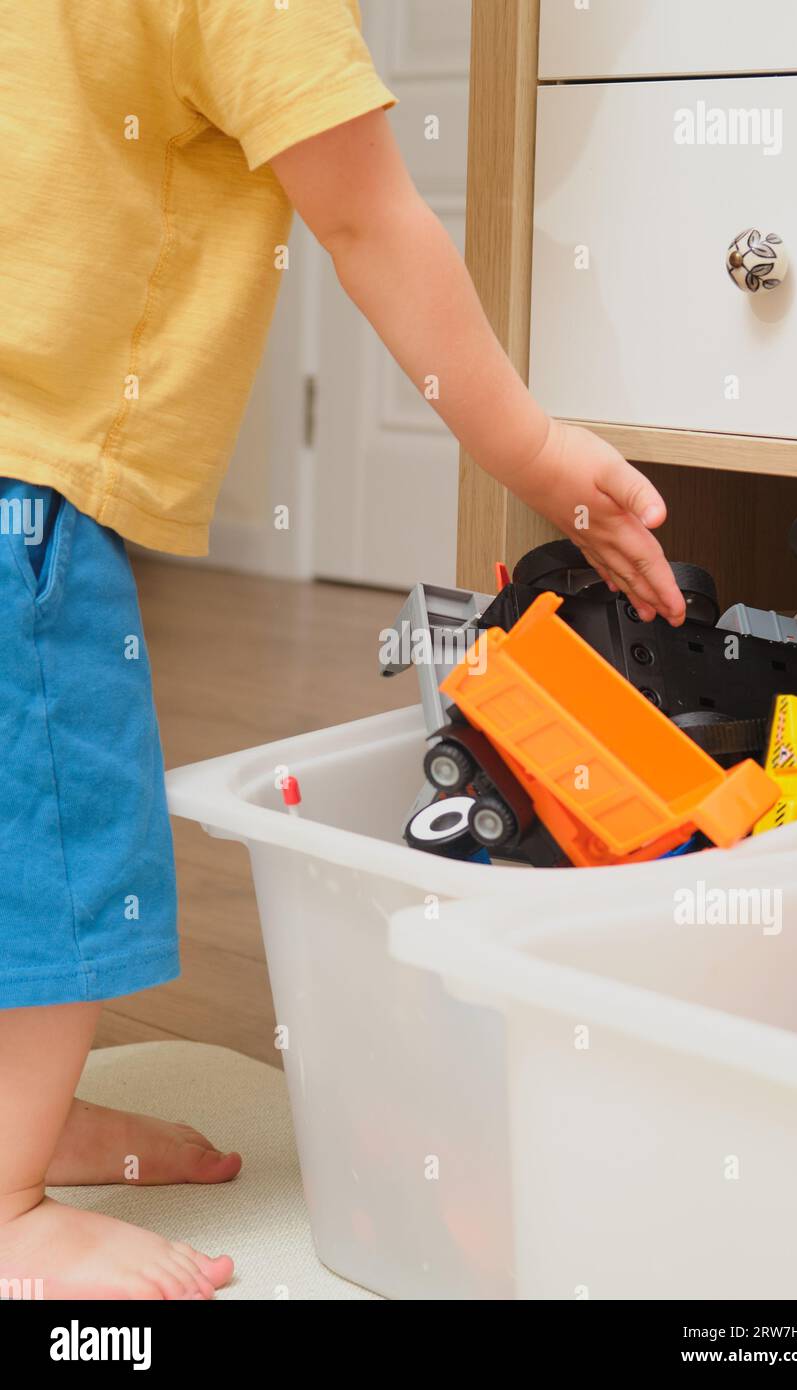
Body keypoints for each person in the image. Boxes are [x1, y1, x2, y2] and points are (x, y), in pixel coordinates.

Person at [0, 0, 685, 1300]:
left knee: (8, 834)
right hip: (24, 489)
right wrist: (532, 450)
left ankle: (26, 1109)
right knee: (66, 845)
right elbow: (368, 213)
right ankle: (9, 1200)